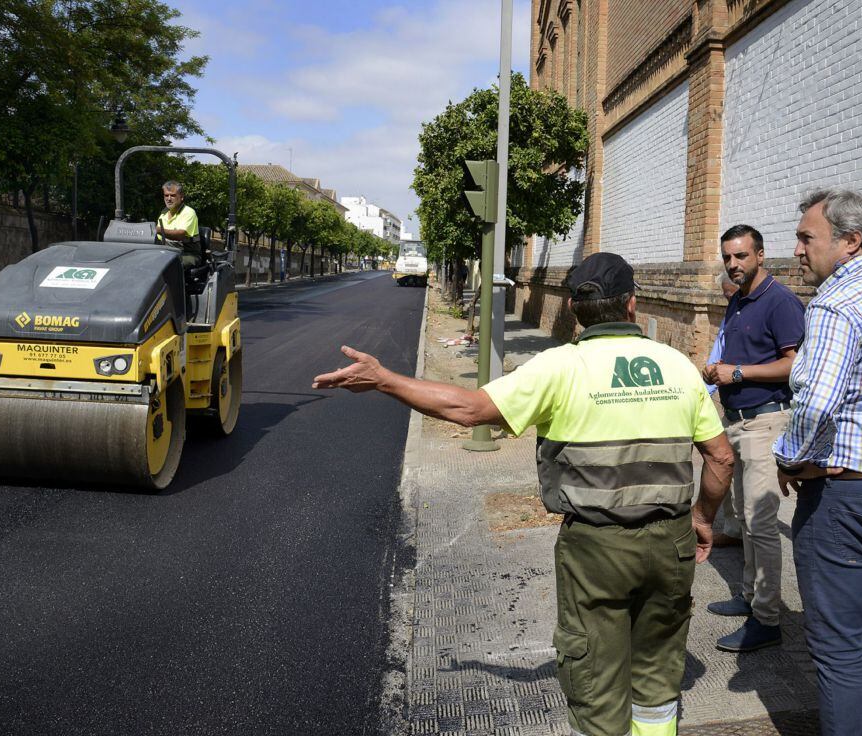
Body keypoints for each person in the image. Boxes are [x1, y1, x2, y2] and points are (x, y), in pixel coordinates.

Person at [313, 252, 734, 736]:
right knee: (659, 672)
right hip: (671, 542)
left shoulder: (559, 368)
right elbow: (721, 458)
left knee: (595, 671)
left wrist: (385, 379)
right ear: (633, 304)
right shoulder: (676, 365)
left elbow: (469, 410)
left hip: (596, 548)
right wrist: (702, 520)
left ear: (575, 309)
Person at [774, 189, 862, 736]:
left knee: (839, 648)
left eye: (808, 238)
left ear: (850, 242)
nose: (798, 250)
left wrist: (791, 459)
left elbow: (814, 399)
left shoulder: (837, 303)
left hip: (846, 497)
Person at [701, 224, 804, 653]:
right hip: (737, 422)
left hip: (765, 423)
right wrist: (718, 370)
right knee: (744, 516)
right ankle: (749, 597)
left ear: (760, 255)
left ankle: (767, 620)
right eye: (728, 257)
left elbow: (794, 366)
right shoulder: (738, 301)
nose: (733, 264)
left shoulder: (781, 302)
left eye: (741, 256)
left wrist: (738, 373)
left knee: (761, 523)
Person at [706, 273, 744, 548]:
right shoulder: (731, 315)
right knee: (724, 462)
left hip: (753, 410)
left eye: (731, 295)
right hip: (730, 407)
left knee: (743, 477)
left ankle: (746, 530)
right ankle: (733, 529)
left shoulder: (758, 313)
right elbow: (717, 351)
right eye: (725, 295)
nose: (728, 300)